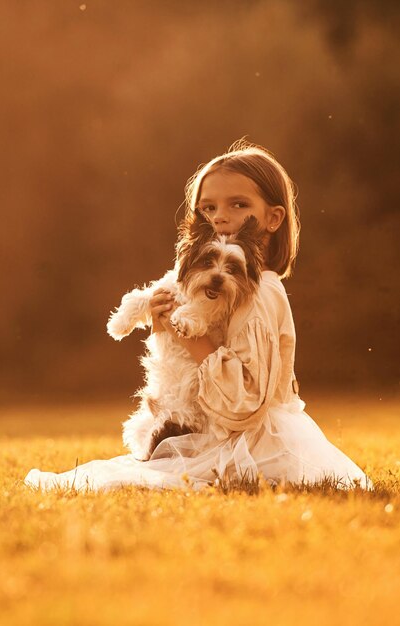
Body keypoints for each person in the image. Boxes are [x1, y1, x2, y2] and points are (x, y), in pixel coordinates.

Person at [24, 141, 373, 492]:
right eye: (208, 207)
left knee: (131, 484)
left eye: (238, 204)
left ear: (273, 218)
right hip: (221, 434)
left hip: (256, 443)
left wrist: (182, 331)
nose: (220, 216)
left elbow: (245, 403)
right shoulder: (228, 286)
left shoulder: (262, 292)